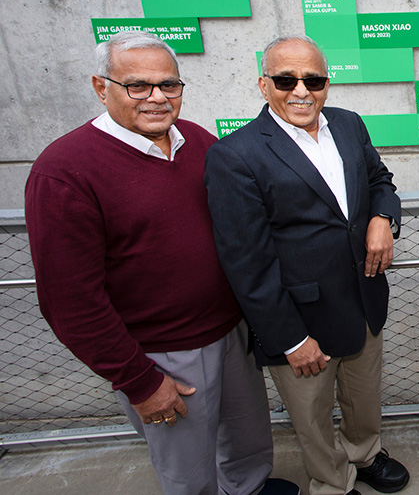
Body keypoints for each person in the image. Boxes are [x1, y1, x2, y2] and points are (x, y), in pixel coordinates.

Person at [24, 31, 298, 495]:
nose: (157, 98)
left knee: (248, 440)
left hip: (232, 333)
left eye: (169, 85)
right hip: (163, 355)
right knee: (187, 469)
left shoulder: (197, 141)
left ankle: (248, 489)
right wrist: (139, 380)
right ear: (101, 87)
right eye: (139, 86)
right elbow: (70, 300)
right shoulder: (64, 171)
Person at [204, 35, 409, 495]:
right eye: (286, 79)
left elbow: (380, 179)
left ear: (327, 84)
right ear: (263, 84)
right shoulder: (234, 155)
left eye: (312, 79)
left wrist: (383, 217)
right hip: (300, 320)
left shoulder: (349, 124)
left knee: (363, 400)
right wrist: (291, 339)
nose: (301, 90)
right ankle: (334, 482)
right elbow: (246, 263)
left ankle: (364, 454)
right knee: (312, 417)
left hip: (363, 299)